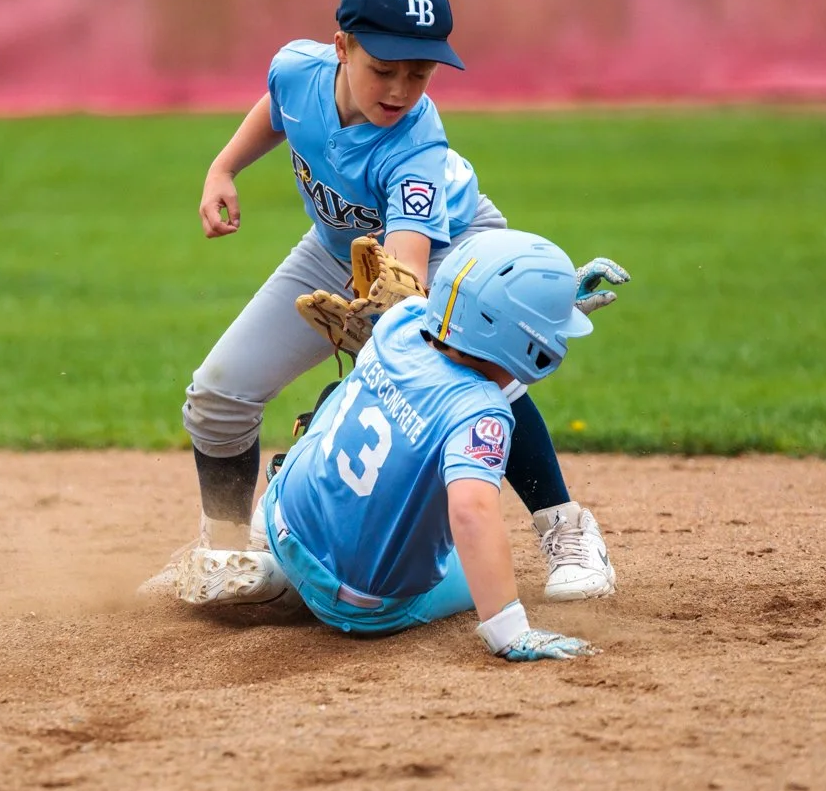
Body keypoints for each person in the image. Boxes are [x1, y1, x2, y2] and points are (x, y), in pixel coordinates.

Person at [144, 0, 629, 604]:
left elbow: (403, 277)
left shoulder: (416, 149)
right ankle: (224, 555)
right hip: (335, 251)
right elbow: (280, 105)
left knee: (473, 367)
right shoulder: (299, 68)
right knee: (217, 397)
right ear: (340, 48)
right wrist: (223, 167)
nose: (402, 88)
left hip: (452, 249)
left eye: (420, 72)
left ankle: (565, 528)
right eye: (385, 67)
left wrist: (388, 326)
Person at [179, 229, 604, 662]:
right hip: (362, 602)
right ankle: (301, 592)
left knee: (342, 393)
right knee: (471, 560)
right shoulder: (481, 411)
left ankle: (277, 562)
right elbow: (470, 512)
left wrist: (551, 302)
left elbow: (481, 308)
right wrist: (509, 632)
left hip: (281, 517)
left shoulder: (402, 322)